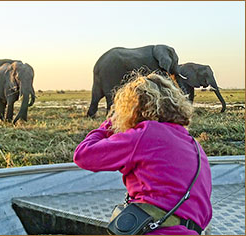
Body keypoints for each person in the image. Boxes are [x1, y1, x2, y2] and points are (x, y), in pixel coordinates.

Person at [73, 72, 212, 235]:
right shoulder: (192, 143)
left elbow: (83, 155)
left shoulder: (146, 134)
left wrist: (110, 124)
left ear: (132, 108)